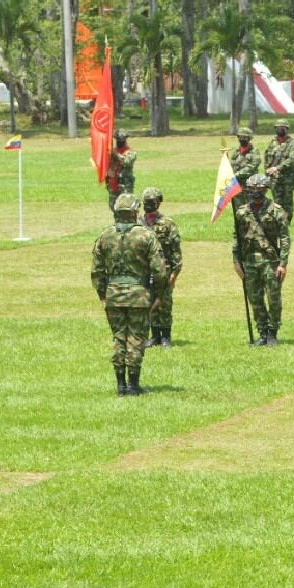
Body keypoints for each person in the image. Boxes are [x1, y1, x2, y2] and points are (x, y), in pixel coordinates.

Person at [91, 193, 168, 396]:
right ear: (135, 211)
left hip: (113, 295)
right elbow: (160, 270)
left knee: (119, 338)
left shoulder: (105, 236)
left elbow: (97, 271)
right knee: (136, 338)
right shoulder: (146, 235)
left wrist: (103, 295)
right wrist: (159, 295)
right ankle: (133, 385)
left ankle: (120, 385)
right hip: (139, 296)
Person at [232, 174, 291, 346]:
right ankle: (262, 332)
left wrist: (283, 264)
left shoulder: (276, 211)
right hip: (249, 262)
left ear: (265, 190)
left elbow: (285, 238)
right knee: (255, 299)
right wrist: (236, 262)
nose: (255, 192)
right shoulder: (242, 212)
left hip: (271, 262)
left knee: (273, 298)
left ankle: (273, 332)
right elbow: (237, 237)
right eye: (252, 189)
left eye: (259, 189)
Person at [141, 187, 182, 348]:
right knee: (150, 303)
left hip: (164, 271)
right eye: (146, 202)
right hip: (144, 271)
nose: (149, 205)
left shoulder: (167, 224)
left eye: (152, 202)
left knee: (164, 303)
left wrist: (175, 273)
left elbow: (175, 251)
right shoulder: (138, 223)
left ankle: (166, 336)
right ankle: (155, 335)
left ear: (158, 203)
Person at [263, 119, 294, 219]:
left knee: (287, 201)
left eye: (282, 128)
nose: (280, 129)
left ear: (287, 129)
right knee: (277, 201)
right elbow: (267, 157)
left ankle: (287, 221)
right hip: (274, 178)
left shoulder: (293, 143)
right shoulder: (272, 142)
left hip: (287, 178)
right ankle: (278, 221)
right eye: (278, 127)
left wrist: (277, 168)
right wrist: (267, 170)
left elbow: (292, 159)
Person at [230, 127, 261, 210]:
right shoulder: (236, 151)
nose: (242, 139)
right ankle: (239, 223)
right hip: (236, 184)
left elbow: (252, 166)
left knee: (250, 207)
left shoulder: (254, 151)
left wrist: (236, 174)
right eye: (240, 137)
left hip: (249, 185)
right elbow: (232, 164)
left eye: (245, 137)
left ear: (249, 138)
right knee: (238, 207)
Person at [105, 129, 137, 210]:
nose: (119, 141)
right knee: (113, 207)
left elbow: (126, 162)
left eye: (121, 140)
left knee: (125, 207)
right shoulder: (112, 151)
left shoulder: (131, 153)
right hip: (113, 183)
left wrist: (115, 154)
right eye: (118, 139)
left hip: (125, 185)